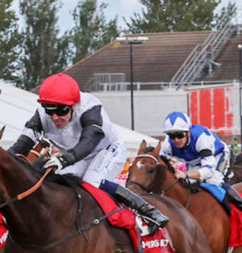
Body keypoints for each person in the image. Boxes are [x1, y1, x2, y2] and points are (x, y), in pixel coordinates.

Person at [10, 73, 168, 230]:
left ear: (73, 105)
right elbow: (20, 147)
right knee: (57, 180)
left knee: (92, 181)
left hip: (106, 149)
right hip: (77, 156)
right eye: (50, 111)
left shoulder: (89, 107)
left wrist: (65, 159)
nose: (55, 117)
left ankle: (147, 210)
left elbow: (89, 141)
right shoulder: (41, 116)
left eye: (61, 110)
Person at [162, 112, 242, 224]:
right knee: (187, 183)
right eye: (172, 136)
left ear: (188, 133)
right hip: (194, 160)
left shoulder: (201, 139)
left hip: (218, 155)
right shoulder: (167, 145)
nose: (176, 140)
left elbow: (208, 171)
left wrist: (185, 174)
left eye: (180, 135)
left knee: (213, 181)